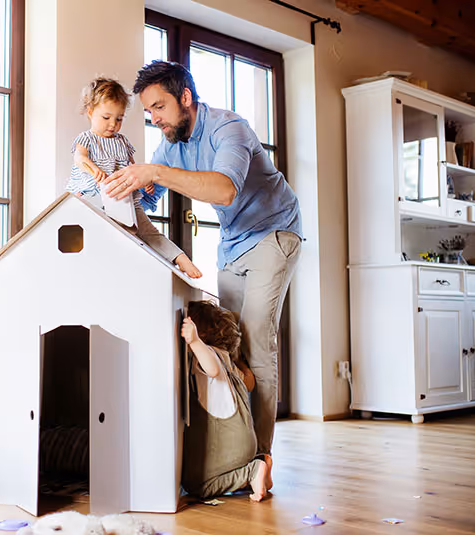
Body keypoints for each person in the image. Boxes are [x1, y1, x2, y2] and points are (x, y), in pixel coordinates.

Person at [102, 61, 302, 483]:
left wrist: (153, 172)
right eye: (148, 111)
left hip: (275, 231)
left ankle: (259, 459)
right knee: (228, 342)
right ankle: (233, 446)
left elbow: (224, 190)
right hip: (233, 244)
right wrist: (123, 182)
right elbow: (150, 198)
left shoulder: (230, 129)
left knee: (258, 339)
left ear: (186, 98)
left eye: (159, 107)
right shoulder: (170, 143)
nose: (153, 118)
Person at [66, 77, 201, 278]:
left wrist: (144, 182)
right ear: (91, 112)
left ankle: (181, 258)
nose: (113, 124)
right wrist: (93, 170)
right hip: (94, 194)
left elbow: (133, 167)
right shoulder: (87, 138)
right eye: (106, 118)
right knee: (93, 231)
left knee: (147, 231)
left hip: (124, 197)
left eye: (119, 119)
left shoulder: (123, 142)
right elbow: (80, 158)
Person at [181, 300, 269, 502]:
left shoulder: (206, 353)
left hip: (228, 443)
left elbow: (211, 369)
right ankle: (257, 468)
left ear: (200, 332)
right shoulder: (227, 360)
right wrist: (241, 363)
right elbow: (250, 383)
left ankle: (251, 472)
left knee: (197, 484)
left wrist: (194, 342)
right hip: (245, 440)